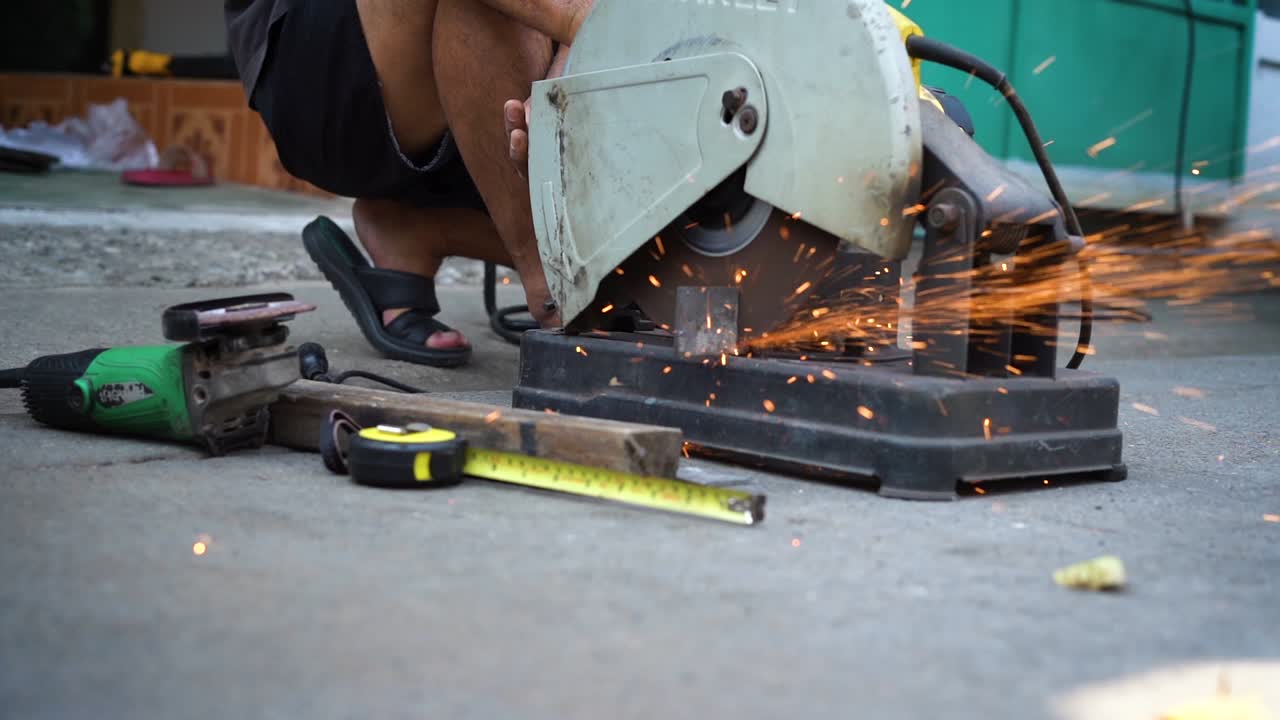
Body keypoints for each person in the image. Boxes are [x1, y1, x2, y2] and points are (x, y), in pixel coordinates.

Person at [224, 0, 593, 366]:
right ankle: (551, 275)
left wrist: (569, 57)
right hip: (324, 75)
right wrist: (584, 24)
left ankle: (416, 229)